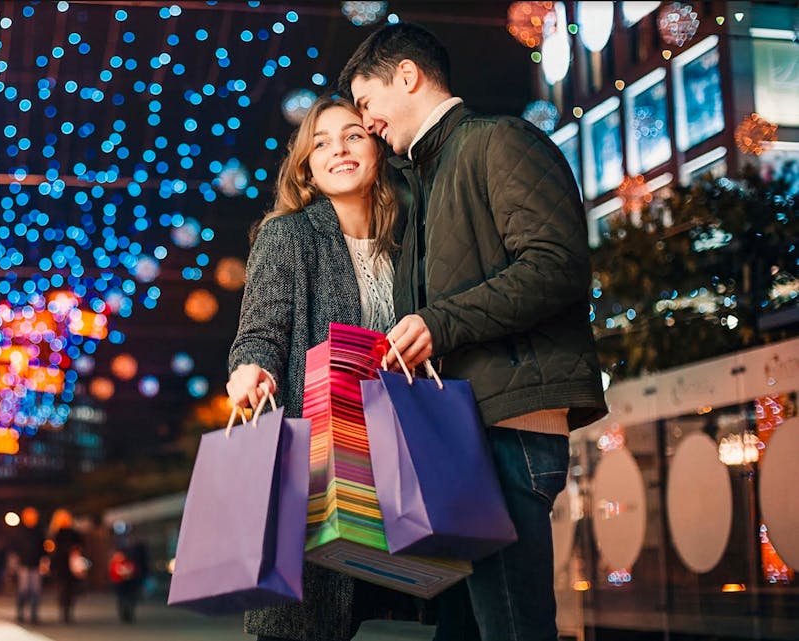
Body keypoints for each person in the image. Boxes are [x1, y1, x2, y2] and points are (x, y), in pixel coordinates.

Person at [339, 22, 608, 641]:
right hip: (464, 437)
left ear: (406, 76)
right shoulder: (426, 182)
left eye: (366, 102)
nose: (367, 120)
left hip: (507, 430)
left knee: (512, 627)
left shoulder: (499, 141)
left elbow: (555, 266)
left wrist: (437, 324)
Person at [227, 95, 410, 641]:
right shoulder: (291, 236)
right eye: (322, 143)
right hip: (319, 459)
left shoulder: (408, 241)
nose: (339, 150)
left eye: (353, 135)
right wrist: (248, 369)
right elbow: (261, 331)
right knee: (305, 627)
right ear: (307, 166)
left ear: (376, 145)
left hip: (394, 456)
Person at [47, 508, 84, 624]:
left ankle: (68, 611)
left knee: (71, 589)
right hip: (60, 565)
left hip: (71, 565)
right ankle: (64, 611)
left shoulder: (74, 533)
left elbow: (81, 546)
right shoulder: (55, 534)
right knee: (63, 588)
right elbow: (50, 550)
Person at [13, 506, 46, 624]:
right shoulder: (20, 531)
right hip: (24, 564)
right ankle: (20, 612)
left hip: (36, 564)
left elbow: (43, 548)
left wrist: (44, 562)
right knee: (24, 589)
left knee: (36, 590)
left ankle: (34, 614)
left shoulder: (39, 530)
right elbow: (15, 548)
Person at [108, 547, 139, 623]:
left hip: (128, 584)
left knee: (129, 599)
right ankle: (123, 615)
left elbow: (134, 571)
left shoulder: (129, 563)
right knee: (121, 599)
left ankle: (129, 614)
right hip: (119, 584)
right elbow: (113, 574)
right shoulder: (114, 564)